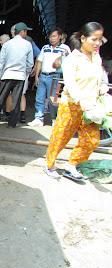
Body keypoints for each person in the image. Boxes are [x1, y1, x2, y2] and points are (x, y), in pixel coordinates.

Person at [44, 22, 108, 180]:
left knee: (92, 140)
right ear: (83, 38)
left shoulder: (96, 57)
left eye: (99, 40)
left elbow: (101, 74)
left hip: (91, 107)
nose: (98, 43)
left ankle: (71, 165)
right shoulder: (72, 59)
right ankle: (49, 165)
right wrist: (81, 100)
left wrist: (103, 85)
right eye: (94, 39)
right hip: (71, 105)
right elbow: (70, 83)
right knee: (61, 137)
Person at [0, 22, 34, 128]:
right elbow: (30, 63)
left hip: (7, 74)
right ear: (22, 31)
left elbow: (1, 61)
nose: (26, 33)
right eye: (26, 31)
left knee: (1, 98)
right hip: (20, 76)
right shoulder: (27, 44)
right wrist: (26, 73)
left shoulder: (7, 44)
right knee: (16, 100)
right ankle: (12, 123)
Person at [28, 27, 71, 127]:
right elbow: (39, 61)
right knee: (39, 98)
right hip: (43, 75)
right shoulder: (45, 48)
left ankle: (54, 119)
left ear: (60, 36)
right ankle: (38, 118)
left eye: (54, 36)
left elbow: (70, 63)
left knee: (53, 100)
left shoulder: (65, 48)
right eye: (50, 36)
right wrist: (36, 77)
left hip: (55, 77)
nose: (52, 38)